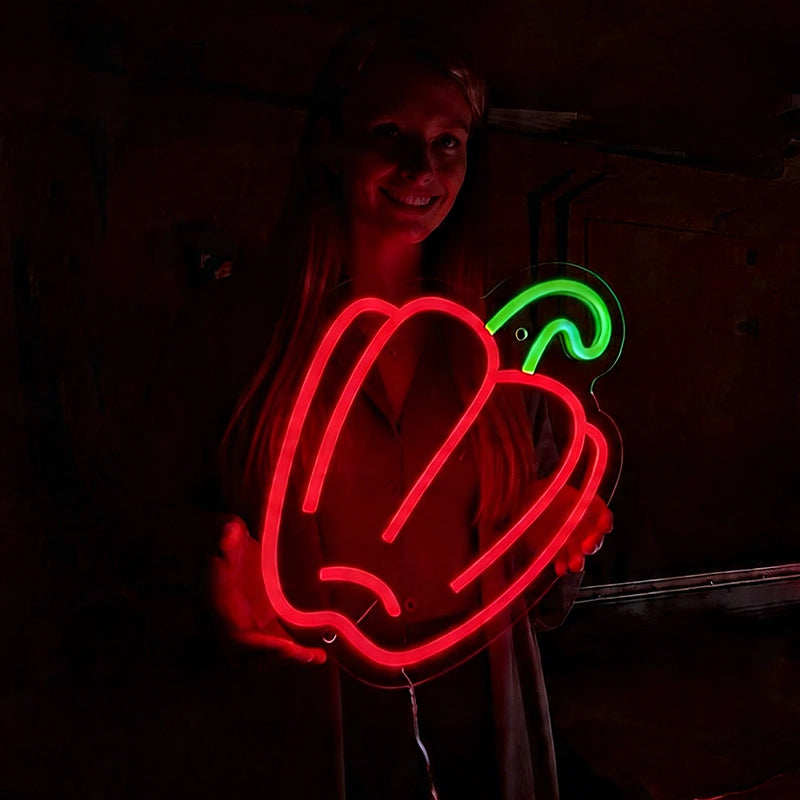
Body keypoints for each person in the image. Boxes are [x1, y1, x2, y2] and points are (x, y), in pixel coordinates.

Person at [195, 23, 612, 800]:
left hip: (484, 738)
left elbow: (544, 598)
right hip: (327, 734)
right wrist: (211, 560)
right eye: (391, 133)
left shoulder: (501, 357)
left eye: (448, 142)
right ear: (330, 142)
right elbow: (152, 516)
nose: (422, 167)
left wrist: (562, 539)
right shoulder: (245, 339)